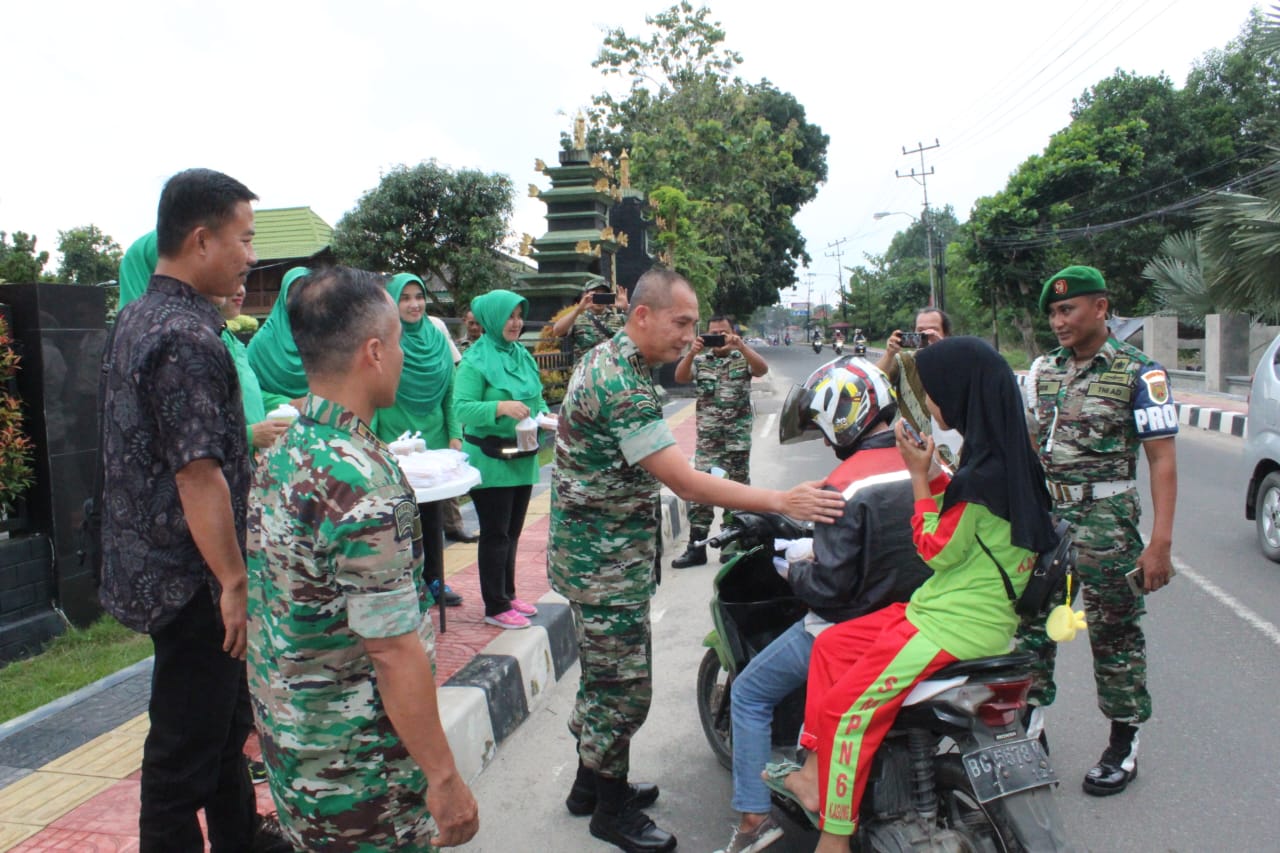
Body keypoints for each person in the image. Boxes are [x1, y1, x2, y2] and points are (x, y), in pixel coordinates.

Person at [548, 267, 846, 853]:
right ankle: (610, 812)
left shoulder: (613, 357)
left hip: (598, 552)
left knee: (602, 675)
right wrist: (780, 499)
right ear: (642, 315)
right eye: (681, 322)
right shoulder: (620, 382)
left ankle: (589, 785)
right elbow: (685, 482)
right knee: (624, 688)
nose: (690, 336)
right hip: (603, 562)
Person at [775, 336, 1059, 852]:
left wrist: (919, 478)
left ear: (959, 394)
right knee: (833, 647)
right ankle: (815, 773)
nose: (927, 404)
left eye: (932, 393)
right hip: (961, 611)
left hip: (950, 625)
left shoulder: (979, 479)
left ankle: (834, 837)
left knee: (846, 711)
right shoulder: (1013, 462)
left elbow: (934, 551)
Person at [246, 266, 479, 851]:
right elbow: (392, 649)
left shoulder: (286, 449)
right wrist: (444, 778)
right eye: (397, 342)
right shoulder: (362, 481)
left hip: (296, 748)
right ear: (374, 352)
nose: (404, 354)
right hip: (360, 772)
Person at [98, 168, 288, 852]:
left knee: (218, 720)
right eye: (244, 238)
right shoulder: (186, 336)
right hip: (194, 578)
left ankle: (242, 832)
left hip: (157, 563)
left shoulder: (138, 317)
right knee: (181, 751)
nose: (250, 255)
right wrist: (234, 581)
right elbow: (199, 473)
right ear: (202, 239)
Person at [714, 358, 931, 853]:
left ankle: (753, 823)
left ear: (842, 415)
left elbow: (831, 591)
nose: (827, 440)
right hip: (924, 622)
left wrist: (795, 568)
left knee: (748, 693)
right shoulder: (925, 460)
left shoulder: (845, 483)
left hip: (852, 630)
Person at [1020, 265, 1178, 796]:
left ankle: (1123, 743)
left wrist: (1160, 542)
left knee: (1115, 635)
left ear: (1102, 308)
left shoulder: (1140, 374)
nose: (1058, 321)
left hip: (1108, 523)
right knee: (1033, 628)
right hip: (1048, 525)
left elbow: (1161, 460)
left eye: (1067, 309)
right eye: (1052, 312)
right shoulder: (1042, 371)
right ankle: (1029, 732)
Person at [369, 272, 469, 606]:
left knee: (431, 518)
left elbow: (451, 391)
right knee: (399, 519)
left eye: (419, 296)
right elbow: (374, 394)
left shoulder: (438, 337)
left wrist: (455, 433)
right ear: (393, 302)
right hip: (394, 441)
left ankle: (436, 582)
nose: (414, 304)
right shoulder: (384, 340)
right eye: (405, 298)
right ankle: (405, 587)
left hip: (435, 440)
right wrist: (377, 442)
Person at [455, 289, 551, 629]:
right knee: (495, 534)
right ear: (493, 318)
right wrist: (500, 407)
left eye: (519, 315)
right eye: (509, 316)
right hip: (490, 460)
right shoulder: (474, 360)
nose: (516, 323)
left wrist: (545, 417)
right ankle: (494, 606)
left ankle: (507, 594)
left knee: (512, 532)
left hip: (522, 456)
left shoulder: (521, 355)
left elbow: (537, 398)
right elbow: (461, 407)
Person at [671, 315, 769, 568]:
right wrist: (691, 354)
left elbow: (761, 370)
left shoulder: (742, 358)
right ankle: (696, 547)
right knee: (701, 492)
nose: (719, 338)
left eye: (723, 333)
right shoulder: (702, 360)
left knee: (735, 493)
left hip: (736, 440)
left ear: (733, 333)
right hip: (709, 441)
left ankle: (731, 545)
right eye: (713, 333)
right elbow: (680, 377)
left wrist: (742, 347)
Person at [876, 307, 961, 464]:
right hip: (911, 449)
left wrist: (944, 349)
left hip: (952, 452)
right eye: (920, 331)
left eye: (933, 330)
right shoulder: (903, 361)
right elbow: (875, 381)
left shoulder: (959, 362)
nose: (926, 335)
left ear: (946, 334)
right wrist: (889, 354)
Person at [218, 284, 290, 454]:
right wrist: (249, 435)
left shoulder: (229, 338)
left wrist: (290, 404)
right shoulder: (200, 343)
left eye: (244, 279)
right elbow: (192, 428)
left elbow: (250, 395)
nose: (241, 289)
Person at [247, 266, 311, 412]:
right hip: (275, 426)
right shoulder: (262, 342)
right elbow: (246, 388)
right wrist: (289, 403)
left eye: (306, 293)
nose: (299, 301)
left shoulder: (328, 338)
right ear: (283, 297)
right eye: (293, 293)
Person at [551, 280, 629, 367]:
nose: (599, 298)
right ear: (586, 295)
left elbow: (643, 330)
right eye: (595, 295)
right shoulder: (577, 318)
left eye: (603, 295)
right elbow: (557, 331)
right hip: (585, 373)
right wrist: (578, 309)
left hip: (612, 373)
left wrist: (627, 308)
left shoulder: (620, 319)